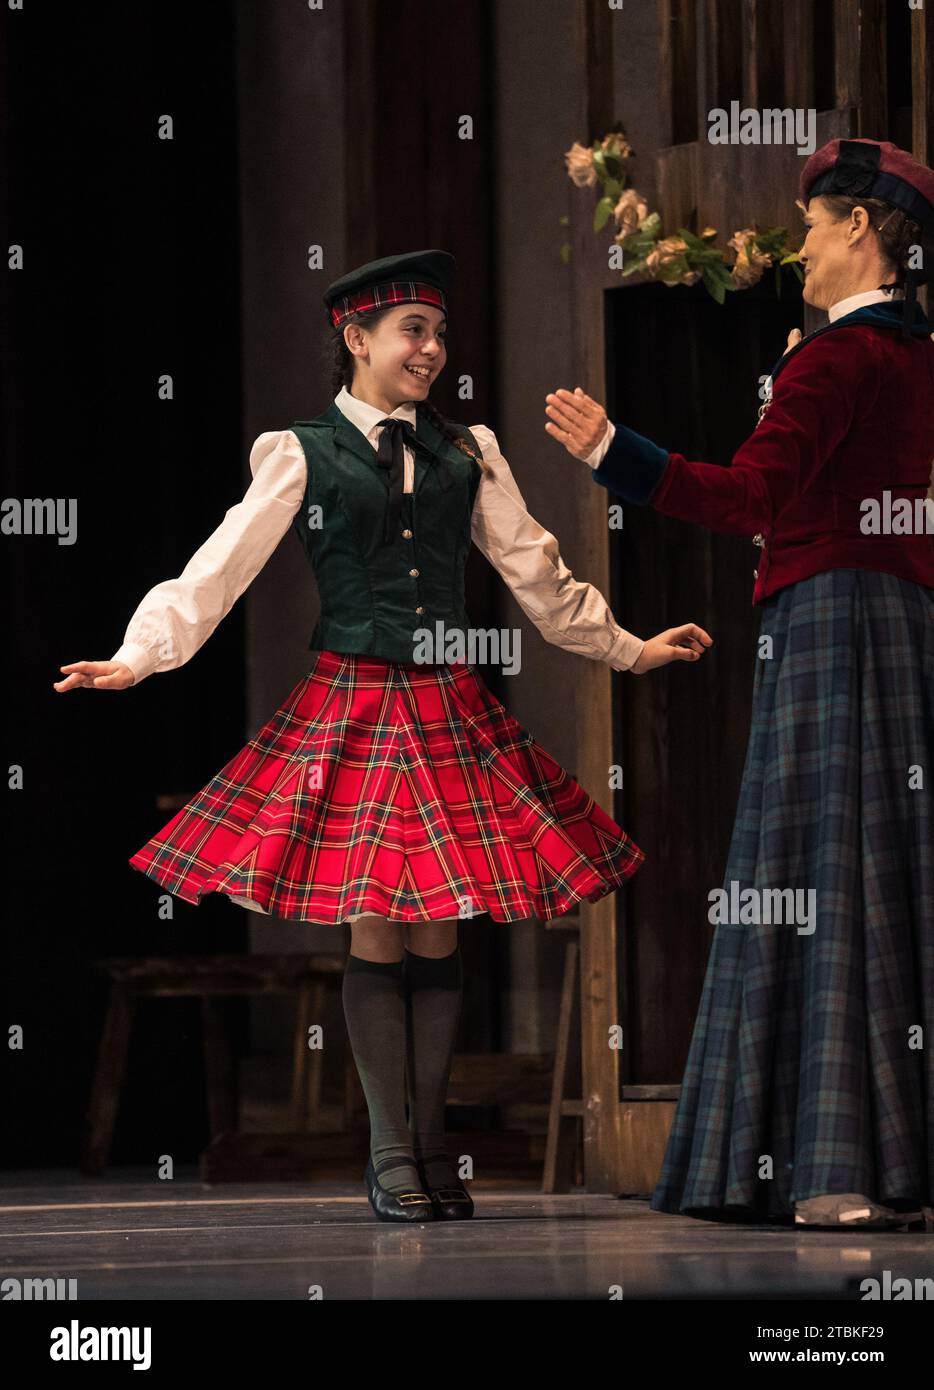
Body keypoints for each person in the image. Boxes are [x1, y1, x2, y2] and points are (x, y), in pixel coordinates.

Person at [54, 249, 712, 1223]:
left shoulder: (468, 448)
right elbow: (220, 567)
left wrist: (626, 647)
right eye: (412, 330)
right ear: (355, 339)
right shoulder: (300, 451)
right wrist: (138, 654)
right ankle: (390, 1148)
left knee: (439, 919)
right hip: (353, 701)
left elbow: (536, 571)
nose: (431, 349)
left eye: (439, 333)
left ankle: (433, 1142)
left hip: (446, 703)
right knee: (376, 916)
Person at [545, 139, 934, 1230]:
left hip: (830, 625)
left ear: (860, 230)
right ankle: (867, 1158)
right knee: (889, 877)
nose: (798, 248)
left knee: (822, 872)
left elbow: (750, 495)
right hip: (907, 624)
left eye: (811, 227)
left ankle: (825, 1167)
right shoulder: (913, 356)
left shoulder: (832, 359)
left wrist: (618, 451)